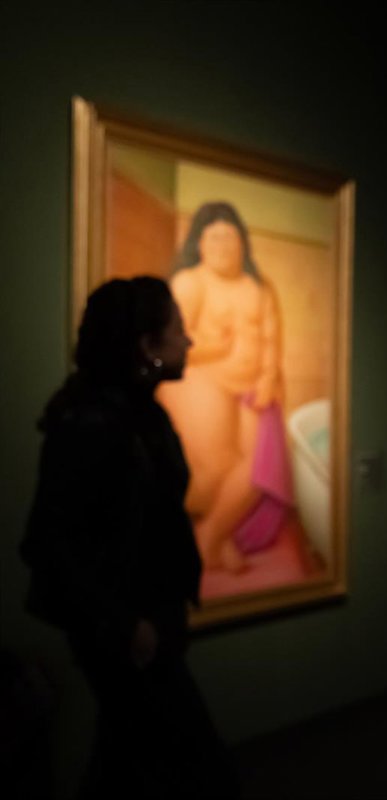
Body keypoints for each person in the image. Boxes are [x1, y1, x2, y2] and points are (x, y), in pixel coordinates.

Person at [20, 277, 237, 798]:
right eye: (178, 329)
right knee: (196, 770)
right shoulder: (91, 423)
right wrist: (124, 624)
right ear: (147, 345)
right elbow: (48, 543)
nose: (188, 340)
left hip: (149, 625)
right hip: (124, 635)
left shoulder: (142, 415)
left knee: (126, 765)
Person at [158, 202, 287, 573]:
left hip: (250, 390)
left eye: (230, 238)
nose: (222, 246)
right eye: (213, 238)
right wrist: (214, 348)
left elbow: (271, 341)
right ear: (198, 244)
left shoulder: (259, 289)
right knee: (219, 463)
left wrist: (267, 378)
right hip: (202, 383)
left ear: (242, 244)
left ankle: (213, 535)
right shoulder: (190, 282)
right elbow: (173, 343)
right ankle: (213, 537)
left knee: (259, 467)